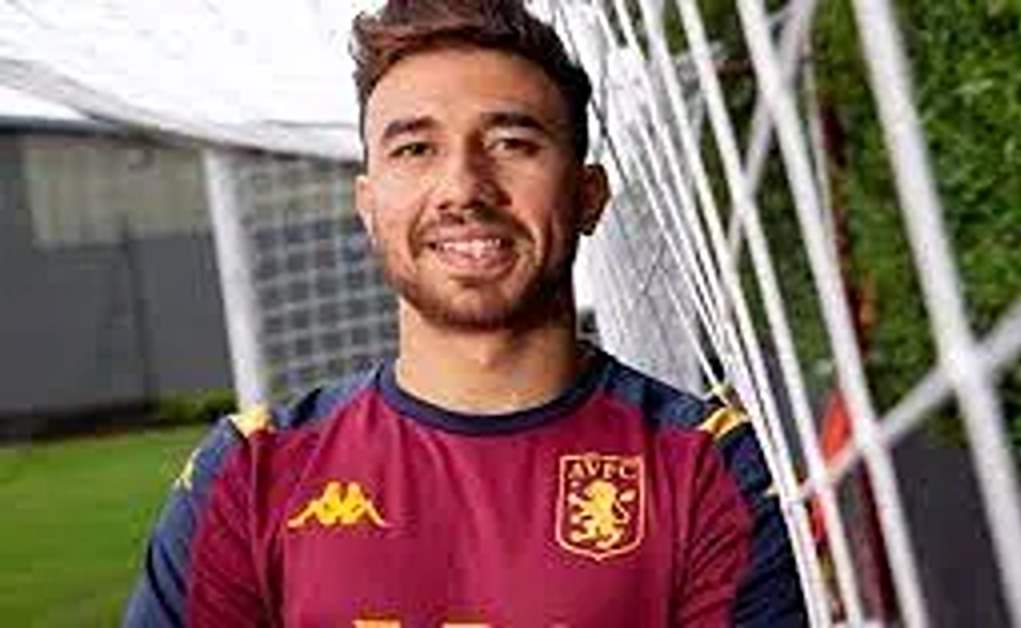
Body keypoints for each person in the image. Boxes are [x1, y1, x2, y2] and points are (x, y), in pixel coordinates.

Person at [124, 1, 803, 626]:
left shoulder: (708, 467)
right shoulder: (249, 475)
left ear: (589, 195)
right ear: (368, 205)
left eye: (512, 143)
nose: (463, 189)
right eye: (416, 149)